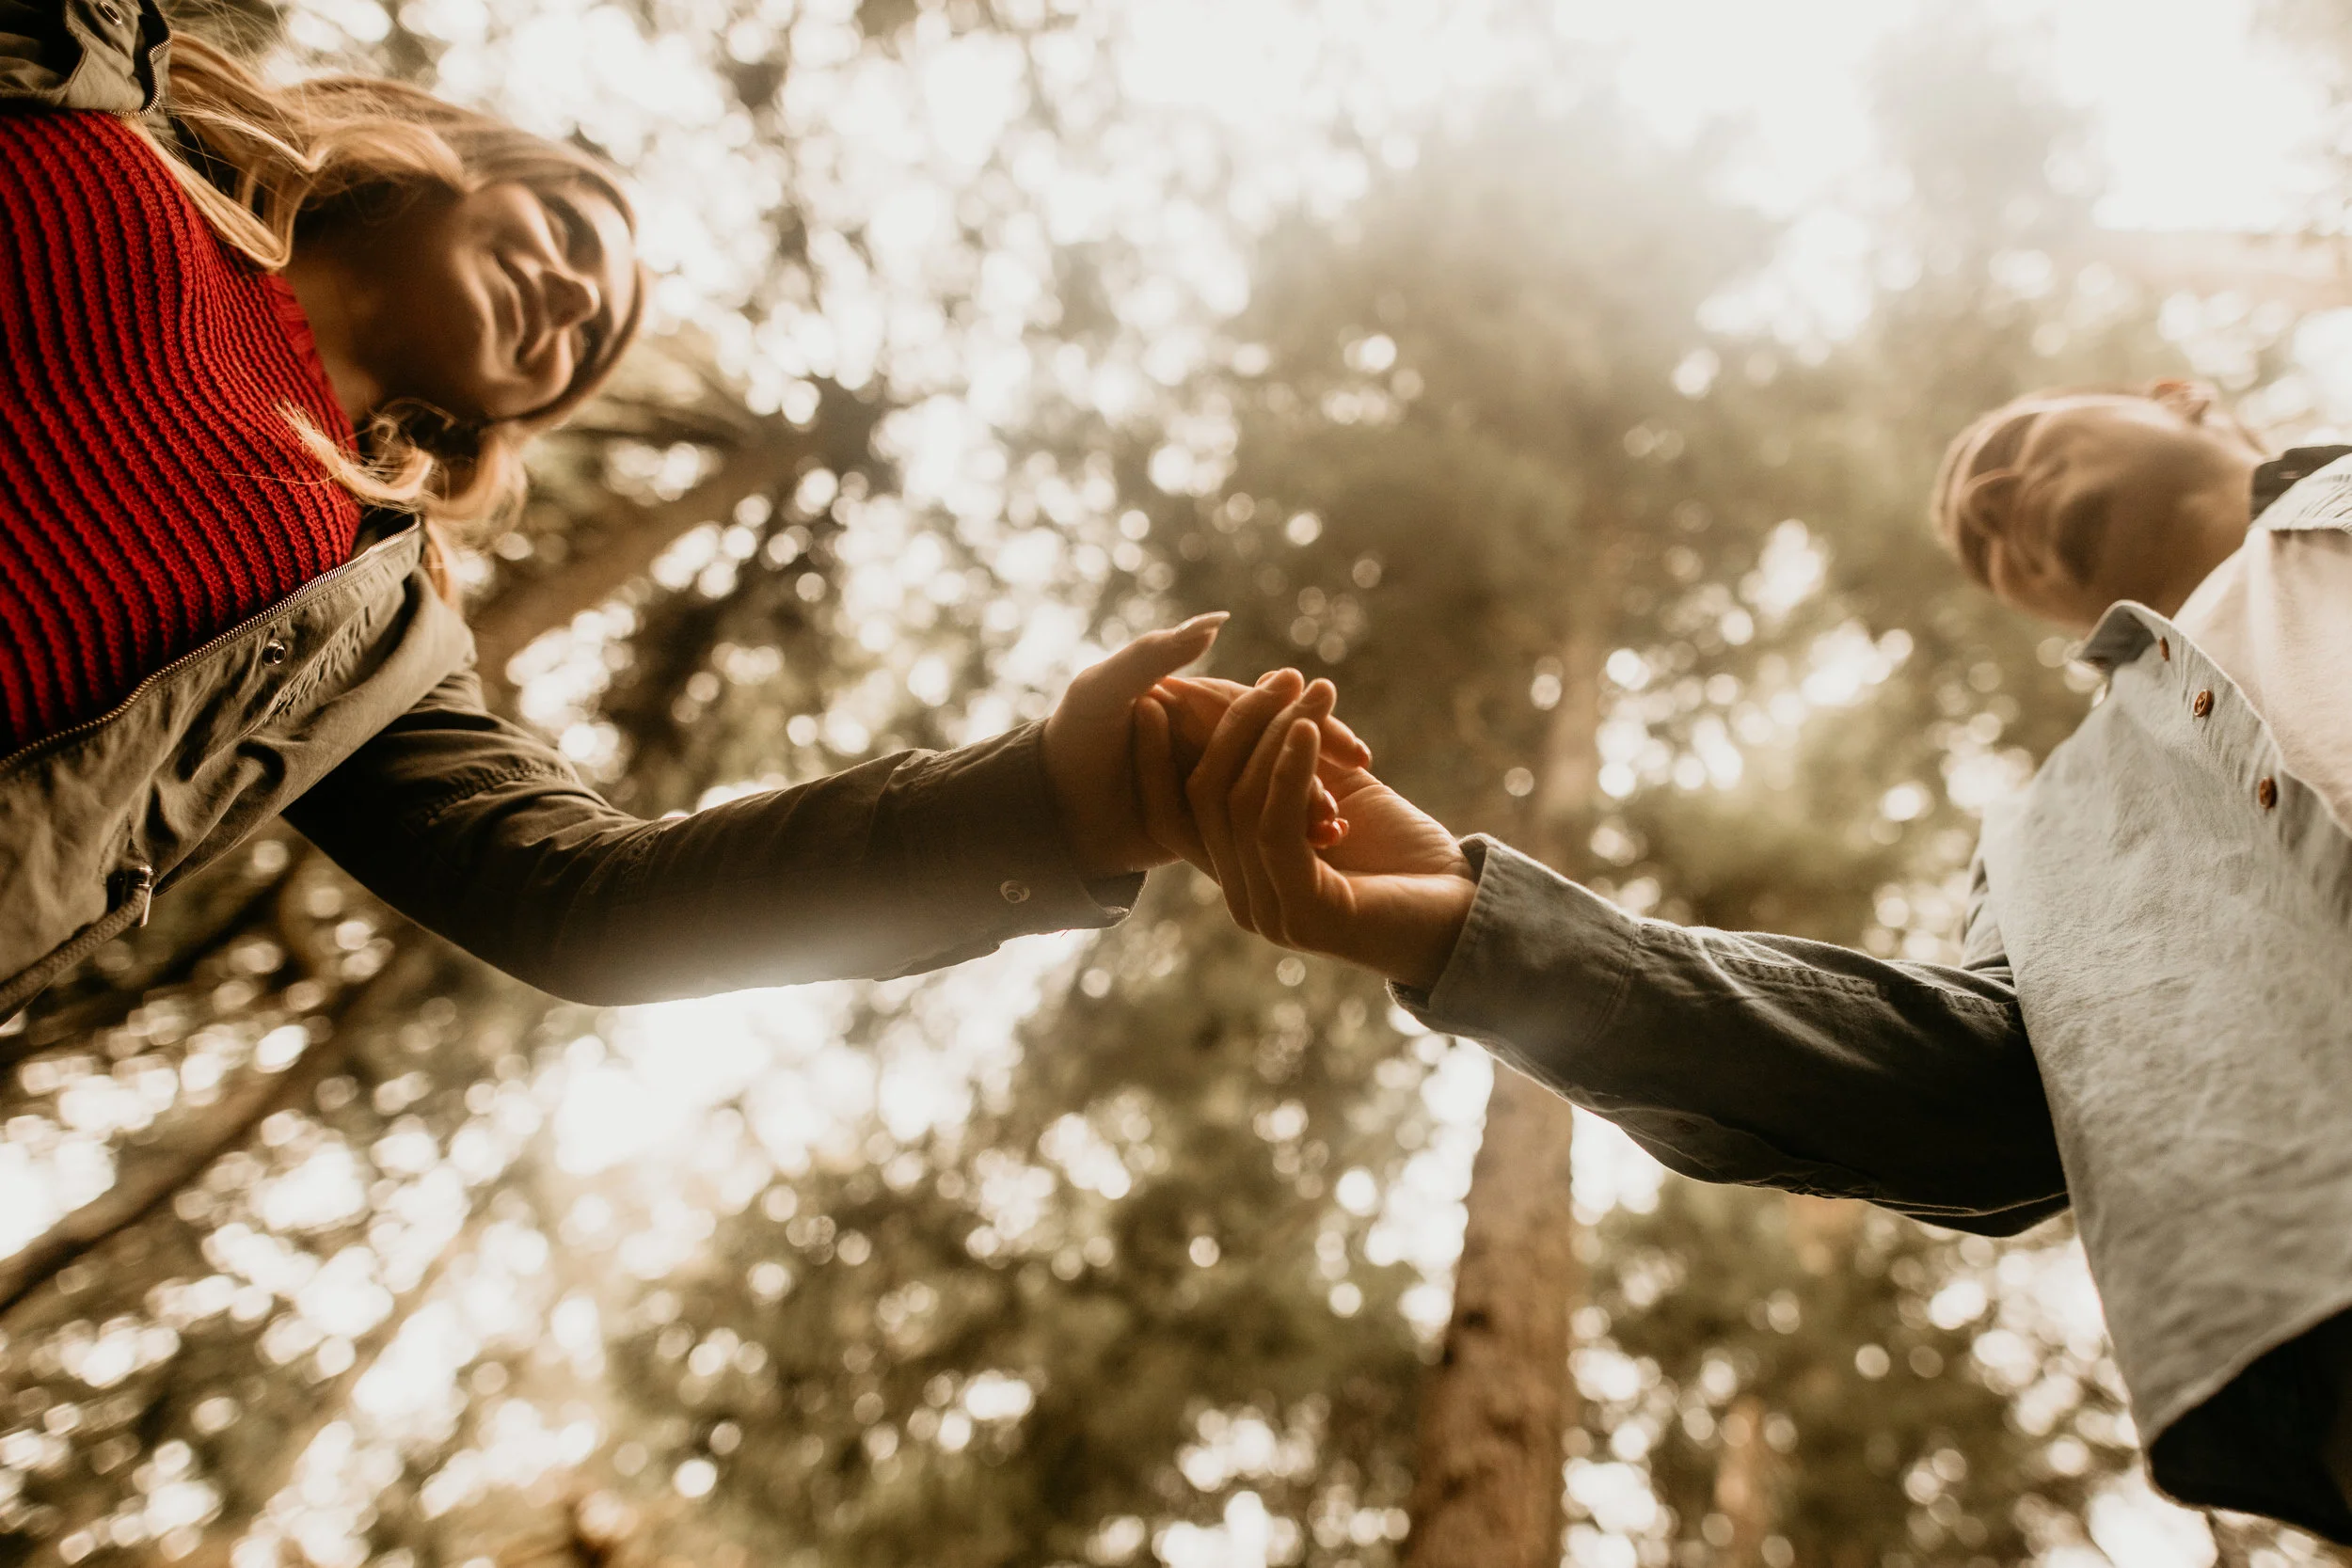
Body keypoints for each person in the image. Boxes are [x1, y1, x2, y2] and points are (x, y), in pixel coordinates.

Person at [1137, 381, 2352, 1540]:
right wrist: (1469, 927)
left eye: (2012, 443)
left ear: (2183, 396)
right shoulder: (2055, 836)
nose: (1991, 503)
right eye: (1979, 544)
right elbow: (1986, 1103)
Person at [0, 0, 1369, 1018]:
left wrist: (1050, 807)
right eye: (578, 236)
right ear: (465, 158)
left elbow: (592, 904)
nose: (582, 302)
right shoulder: (96, 82)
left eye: (587, 347)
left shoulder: (371, 638)